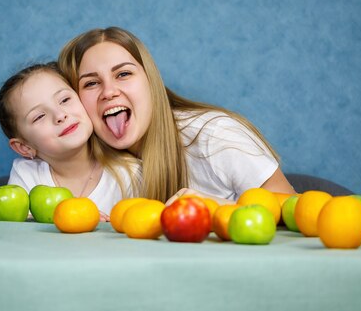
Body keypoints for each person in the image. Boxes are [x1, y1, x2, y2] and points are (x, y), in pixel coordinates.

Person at [58, 27, 295, 206]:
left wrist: (213, 207)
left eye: (123, 74)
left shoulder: (214, 135)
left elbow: (292, 206)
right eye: (91, 83)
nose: (109, 92)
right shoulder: (91, 165)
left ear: (151, 81)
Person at [0, 62, 140, 219]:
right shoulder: (27, 174)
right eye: (39, 116)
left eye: (65, 100)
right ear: (24, 147)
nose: (60, 115)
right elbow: (20, 235)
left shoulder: (128, 173)